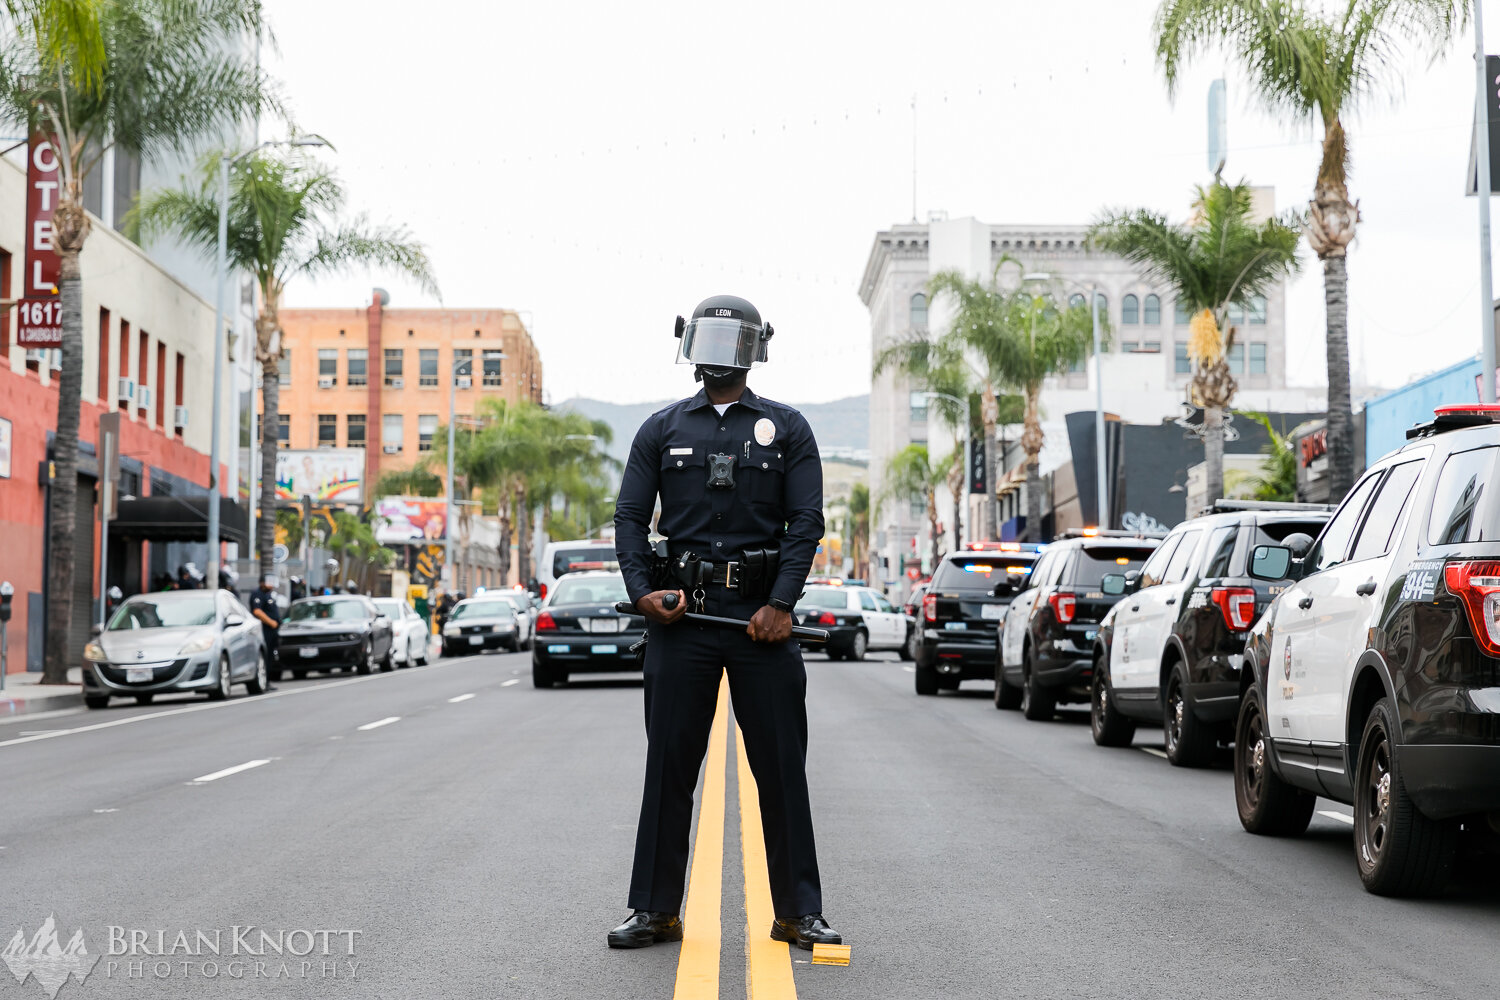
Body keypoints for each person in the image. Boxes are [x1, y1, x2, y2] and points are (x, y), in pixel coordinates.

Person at [608, 294, 839, 951]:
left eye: (731, 339)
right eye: (708, 338)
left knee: (780, 771)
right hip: (680, 620)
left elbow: (806, 524)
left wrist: (783, 604)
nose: (718, 353)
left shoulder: (788, 429)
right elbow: (629, 519)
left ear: (755, 347)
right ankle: (655, 911)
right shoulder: (660, 429)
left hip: (760, 624)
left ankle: (797, 912)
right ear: (689, 343)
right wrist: (643, 591)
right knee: (669, 770)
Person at [248, 574, 283, 685]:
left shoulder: (268, 594)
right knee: (265, 656)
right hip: (265, 630)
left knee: (271, 656)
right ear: (262, 582)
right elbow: (257, 611)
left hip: (272, 631)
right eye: (269, 582)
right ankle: (264, 681)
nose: (271, 584)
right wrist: (271, 622)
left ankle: (267, 681)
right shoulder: (257, 594)